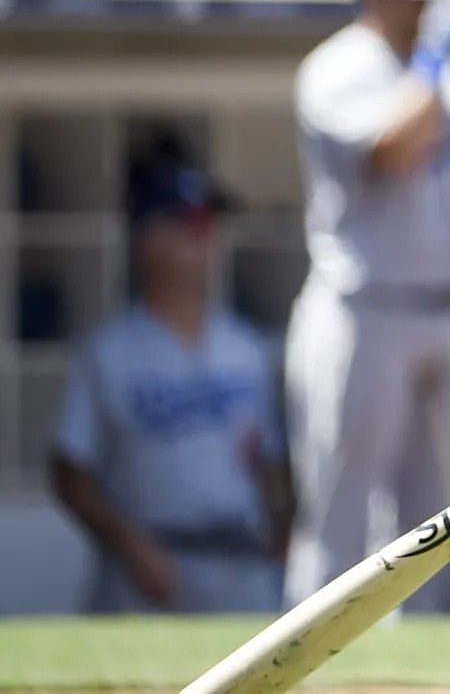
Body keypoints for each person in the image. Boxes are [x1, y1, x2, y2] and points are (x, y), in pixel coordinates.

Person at [283, 0, 450, 606]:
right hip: (366, 311)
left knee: (438, 526)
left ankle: (419, 671)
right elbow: (395, 150)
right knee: (342, 515)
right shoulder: (339, 68)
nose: (426, 2)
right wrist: (432, 65)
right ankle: (304, 668)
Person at [49, 160, 290, 614]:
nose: (207, 238)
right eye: (190, 224)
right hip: (148, 565)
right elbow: (69, 473)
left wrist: (284, 528)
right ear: (147, 240)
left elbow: (269, 462)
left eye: (210, 225)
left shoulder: (246, 347)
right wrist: (127, 543)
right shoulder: (110, 352)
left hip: (242, 562)